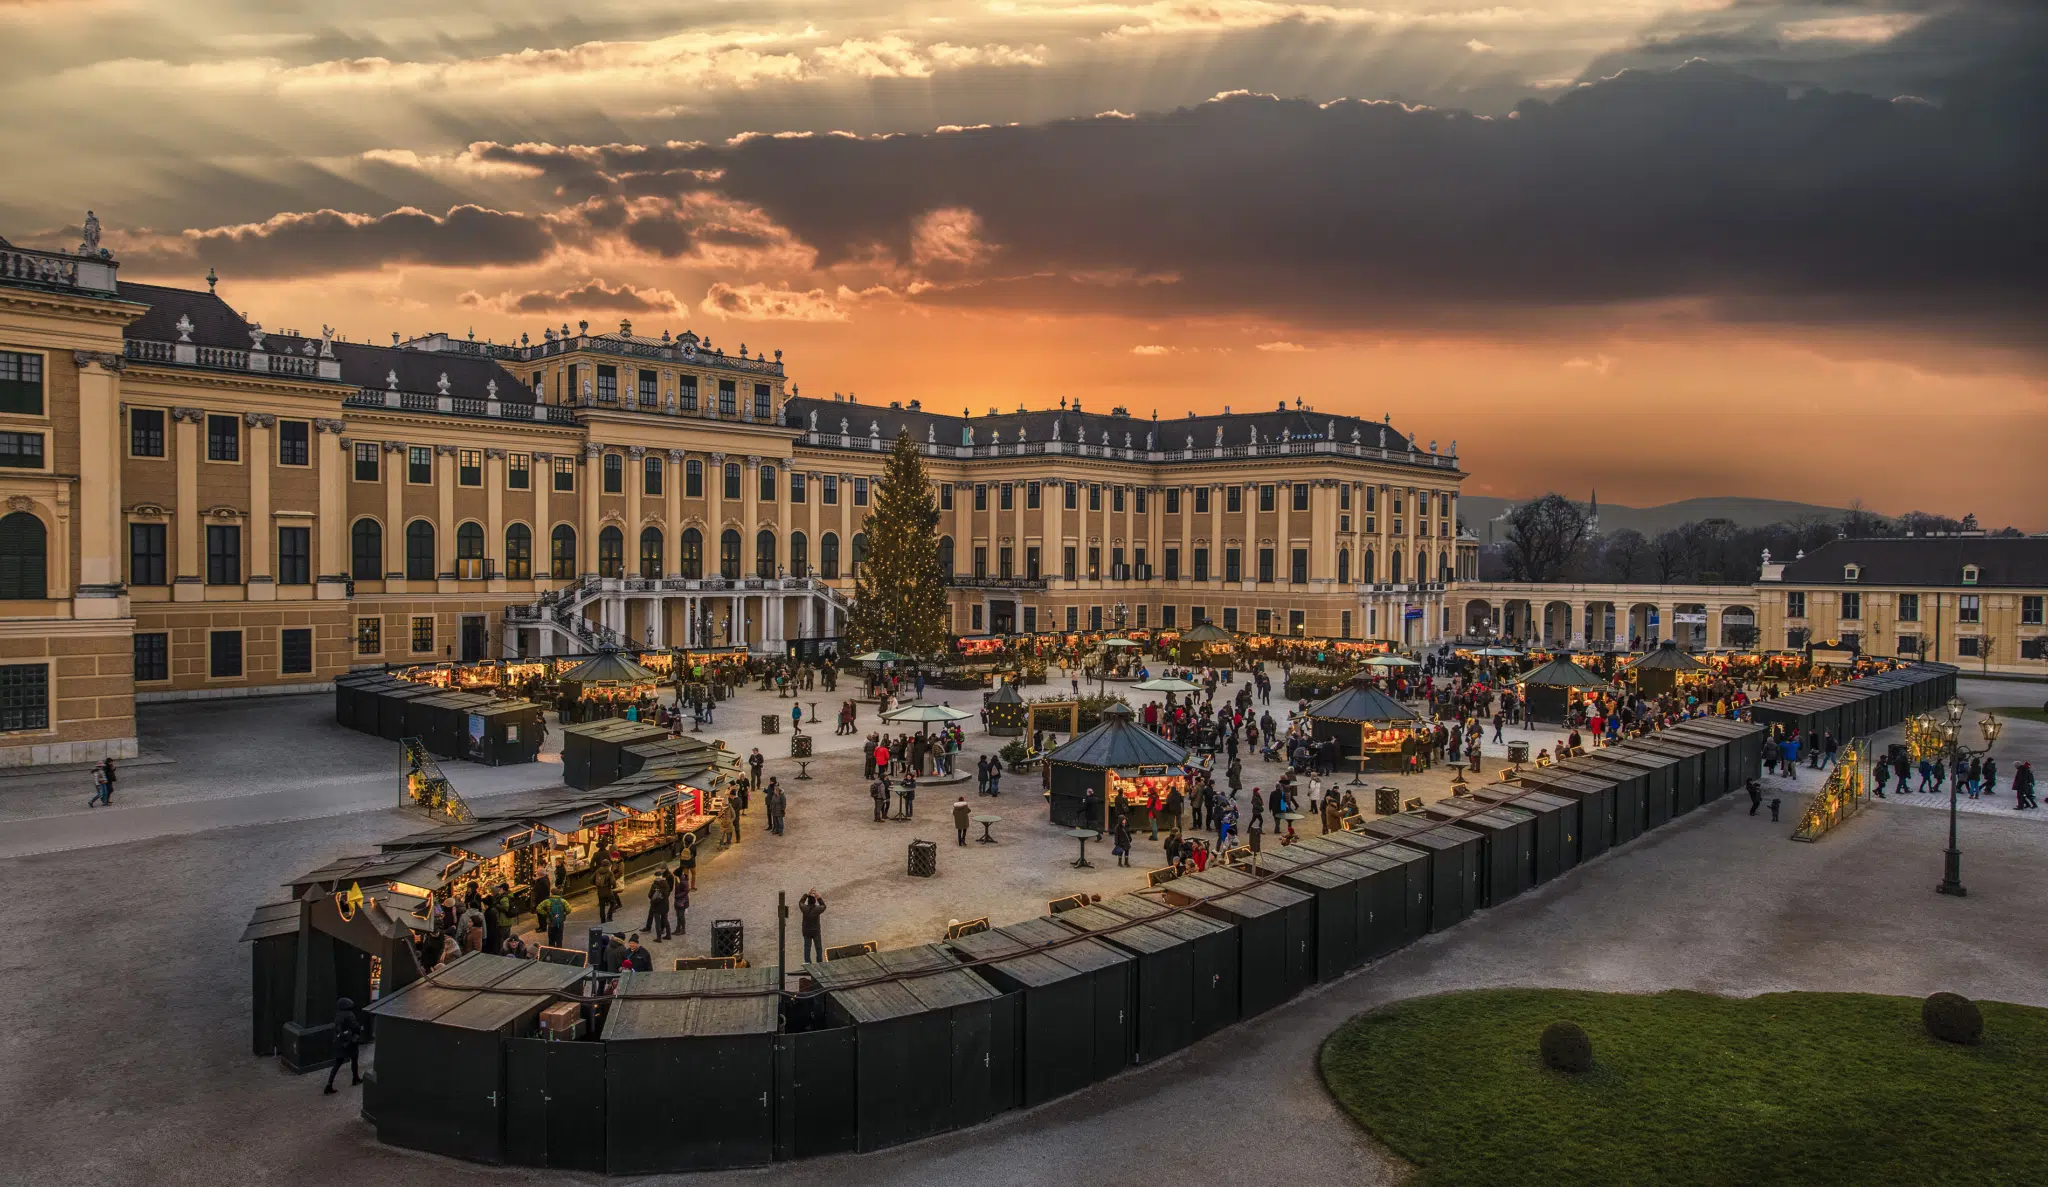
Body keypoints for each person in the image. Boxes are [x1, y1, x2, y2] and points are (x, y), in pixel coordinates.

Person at [323, 998, 362, 1095]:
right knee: (354, 1059)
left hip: (339, 1042)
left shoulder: (338, 1015)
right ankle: (355, 1078)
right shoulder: (349, 1014)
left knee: (337, 1064)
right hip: (349, 1042)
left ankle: (329, 1084)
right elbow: (355, 1027)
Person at [799, 889, 826, 963]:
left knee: (807, 948)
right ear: (814, 901)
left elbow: (801, 902)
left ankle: (808, 963)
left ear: (808, 901)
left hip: (806, 932)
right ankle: (819, 962)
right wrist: (818, 897)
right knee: (818, 948)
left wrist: (807, 894)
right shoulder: (817, 909)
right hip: (815, 932)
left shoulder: (804, 908)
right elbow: (823, 906)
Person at [646, 869, 673, 941]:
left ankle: (659, 938)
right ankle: (668, 935)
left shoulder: (655, 885)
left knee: (657, 922)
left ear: (655, 877)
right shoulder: (666, 884)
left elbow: (650, 895)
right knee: (665, 920)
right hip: (665, 905)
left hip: (656, 906)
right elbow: (668, 893)